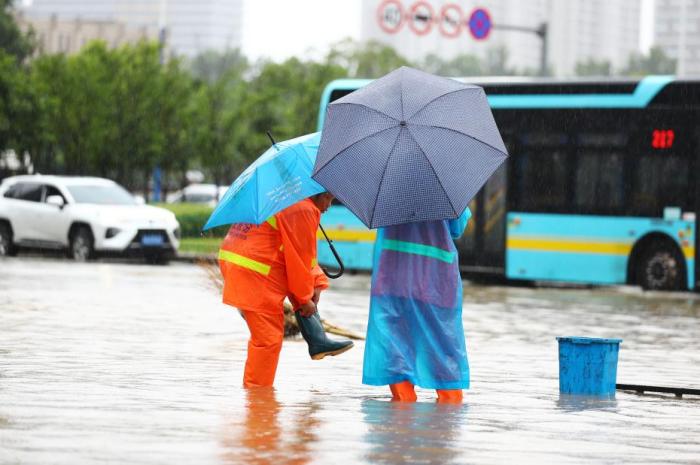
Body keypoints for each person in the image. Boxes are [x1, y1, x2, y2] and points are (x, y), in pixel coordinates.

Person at [218, 192, 354, 388]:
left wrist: (316, 283)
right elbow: (297, 259)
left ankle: (317, 341)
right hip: (255, 272)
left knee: (268, 337)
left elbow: (302, 256)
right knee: (267, 340)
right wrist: (303, 299)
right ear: (316, 194)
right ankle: (258, 401)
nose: (329, 206)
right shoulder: (302, 209)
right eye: (328, 199)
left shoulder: (288, 200)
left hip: (248, 265)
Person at [362, 208, 472, 403]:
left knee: (397, 346)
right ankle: (448, 407)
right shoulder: (445, 190)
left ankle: (402, 408)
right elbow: (457, 229)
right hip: (436, 281)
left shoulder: (387, 190)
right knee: (443, 345)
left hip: (394, 279)